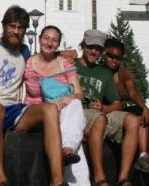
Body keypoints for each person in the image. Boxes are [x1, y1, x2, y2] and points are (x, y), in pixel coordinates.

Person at [0, 6, 68, 186]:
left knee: (50, 110)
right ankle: (1, 179)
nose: (16, 31)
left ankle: (57, 179)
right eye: (12, 26)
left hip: (10, 110)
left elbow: (42, 59)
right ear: (3, 26)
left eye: (21, 28)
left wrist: (62, 53)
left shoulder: (24, 51)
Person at [23, 25, 90, 186]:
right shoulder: (28, 64)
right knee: (69, 129)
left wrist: (70, 95)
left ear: (59, 43)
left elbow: (79, 93)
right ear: (39, 39)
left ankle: (68, 150)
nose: (49, 43)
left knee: (74, 105)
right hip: (37, 113)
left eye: (54, 40)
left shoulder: (64, 63)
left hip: (62, 112)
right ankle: (68, 149)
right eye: (46, 38)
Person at [75, 30, 139, 186]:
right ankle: (99, 178)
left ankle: (123, 178)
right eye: (90, 47)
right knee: (99, 118)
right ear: (83, 46)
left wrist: (104, 107)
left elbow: (116, 103)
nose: (93, 51)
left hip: (100, 113)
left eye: (97, 48)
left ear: (102, 51)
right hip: (78, 113)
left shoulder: (104, 73)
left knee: (132, 120)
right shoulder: (71, 64)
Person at [103, 37, 149, 186]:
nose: (115, 61)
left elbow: (133, 92)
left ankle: (144, 158)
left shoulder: (122, 72)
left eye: (118, 58)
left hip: (125, 110)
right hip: (111, 111)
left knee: (141, 115)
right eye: (111, 57)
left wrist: (145, 108)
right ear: (104, 54)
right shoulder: (99, 71)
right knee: (146, 135)